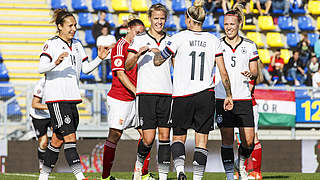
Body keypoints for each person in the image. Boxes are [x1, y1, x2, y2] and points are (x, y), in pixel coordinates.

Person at [151, 1, 233, 179]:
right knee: (202, 140)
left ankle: (180, 171)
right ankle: (197, 178)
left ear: (189, 19)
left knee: (179, 137)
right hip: (206, 95)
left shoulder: (178, 38)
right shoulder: (213, 40)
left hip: (183, 95)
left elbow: (158, 61)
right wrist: (228, 95)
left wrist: (157, 52)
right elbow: (223, 72)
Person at [38, 9, 109, 180]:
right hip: (57, 98)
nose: (74, 28)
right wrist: (55, 62)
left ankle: (43, 177)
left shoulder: (77, 44)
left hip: (72, 98)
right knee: (70, 137)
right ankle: (80, 176)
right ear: (60, 27)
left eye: (75, 25)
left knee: (56, 140)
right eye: (70, 25)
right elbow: (41, 68)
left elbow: (85, 69)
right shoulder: (51, 44)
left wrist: (99, 59)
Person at [125, 3, 173, 180]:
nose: (159, 22)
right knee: (148, 139)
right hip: (146, 94)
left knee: (165, 136)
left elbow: (177, 66)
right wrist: (138, 54)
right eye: (156, 18)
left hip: (167, 94)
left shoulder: (171, 40)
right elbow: (127, 65)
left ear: (165, 19)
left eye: (162, 18)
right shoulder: (139, 39)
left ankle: (163, 176)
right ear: (150, 19)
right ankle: (138, 167)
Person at [100, 17, 150, 180]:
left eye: (142, 33)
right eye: (137, 32)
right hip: (120, 98)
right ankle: (105, 176)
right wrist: (137, 91)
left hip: (136, 98)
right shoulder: (121, 46)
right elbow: (120, 74)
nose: (139, 36)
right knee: (114, 136)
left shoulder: (140, 47)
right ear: (129, 29)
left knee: (147, 135)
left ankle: (142, 173)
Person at [215, 5, 258, 180]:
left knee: (249, 141)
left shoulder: (249, 45)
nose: (229, 27)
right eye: (226, 24)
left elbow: (255, 71)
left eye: (232, 23)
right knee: (227, 139)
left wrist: (251, 74)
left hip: (243, 98)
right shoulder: (217, 44)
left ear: (239, 23)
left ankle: (241, 164)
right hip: (223, 98)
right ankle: (229, 175)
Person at [234, 60, 264, 180]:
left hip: (248, 106)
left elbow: (248, 89)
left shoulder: (250, 71)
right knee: (240, 140)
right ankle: (243, 170)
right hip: (239, 106)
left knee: (252, 138)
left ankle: (256, 172)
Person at [30, 77, 51, 171]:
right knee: (43, 142)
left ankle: (51, 161)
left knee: (59, 137)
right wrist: (51, 107)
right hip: (38, 117)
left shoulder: (59, 83)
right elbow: (34, 104)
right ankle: (42, 162)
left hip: (51, 116)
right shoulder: (41, 84)